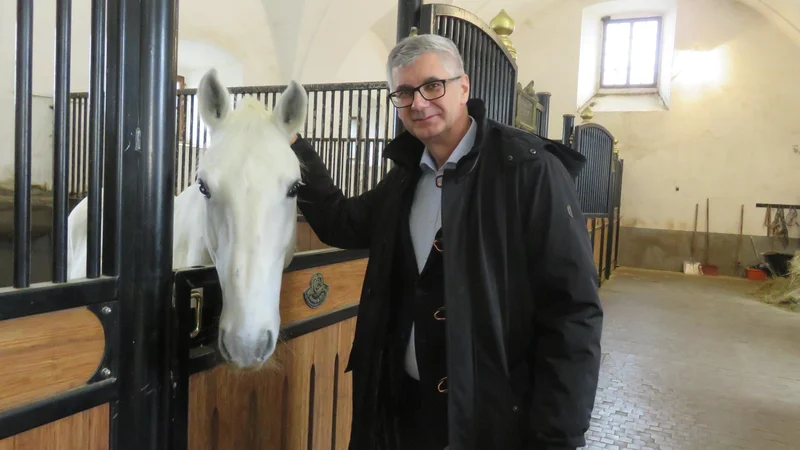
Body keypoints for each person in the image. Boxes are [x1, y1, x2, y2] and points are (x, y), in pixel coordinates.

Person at [290, 34, 603, 450]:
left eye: (432, 86)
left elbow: (573, 310)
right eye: (403, 92)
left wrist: (558, 437)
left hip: (489, 421)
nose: (418, 103)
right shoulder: (406, 176)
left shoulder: (528, 171)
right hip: (402, 411)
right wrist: (296, 150)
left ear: (464, 88)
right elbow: (342, 223)